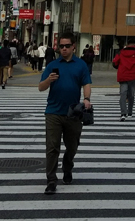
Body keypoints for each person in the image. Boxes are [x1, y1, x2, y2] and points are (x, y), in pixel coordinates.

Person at [39, 31, 92, 195]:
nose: (63, 49)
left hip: (73, 112)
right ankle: (51, 180)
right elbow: (41, 87)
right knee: (52, 147)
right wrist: (49, 80)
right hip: (53, 112)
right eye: (61, 46)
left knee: (72, 146)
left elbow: (86, 83)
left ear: (73, 47)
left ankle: (67, 166)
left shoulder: (81, 65)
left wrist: (87, 99)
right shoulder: (52, 65)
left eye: (67, 46)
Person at [112, 39, 135, 121]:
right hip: (132, 75)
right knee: (131, 94)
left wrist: (120, 67)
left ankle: (123, 113)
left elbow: (114, 63)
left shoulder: (121, 52)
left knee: (123, 94)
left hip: (122, 75)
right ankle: (130, 112)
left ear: (127, 44)